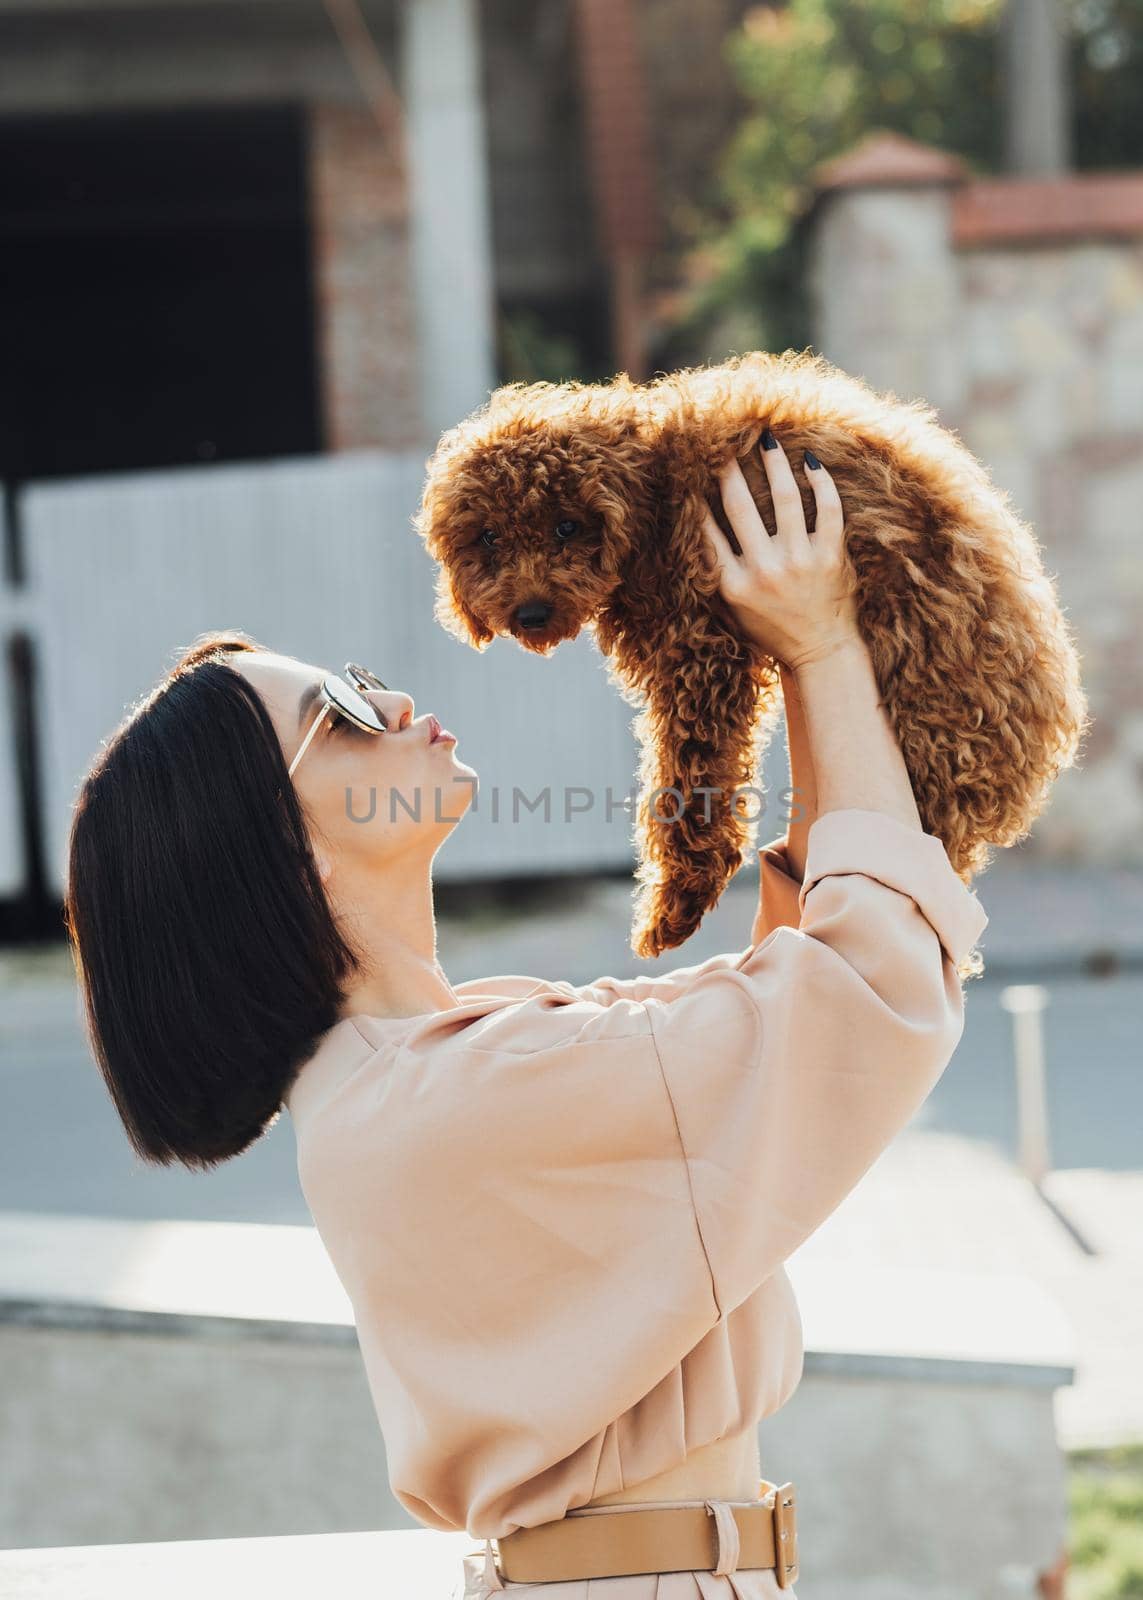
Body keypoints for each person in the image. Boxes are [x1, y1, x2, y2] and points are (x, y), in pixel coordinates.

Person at [64, 432, 988, 1597]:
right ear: (279, 855)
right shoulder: (468, 1091)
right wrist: (820, 639)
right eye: (342, 711)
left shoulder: (430, 1071)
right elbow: (868, 995)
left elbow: (782, 1021)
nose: (392, 695)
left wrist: (793, 657)